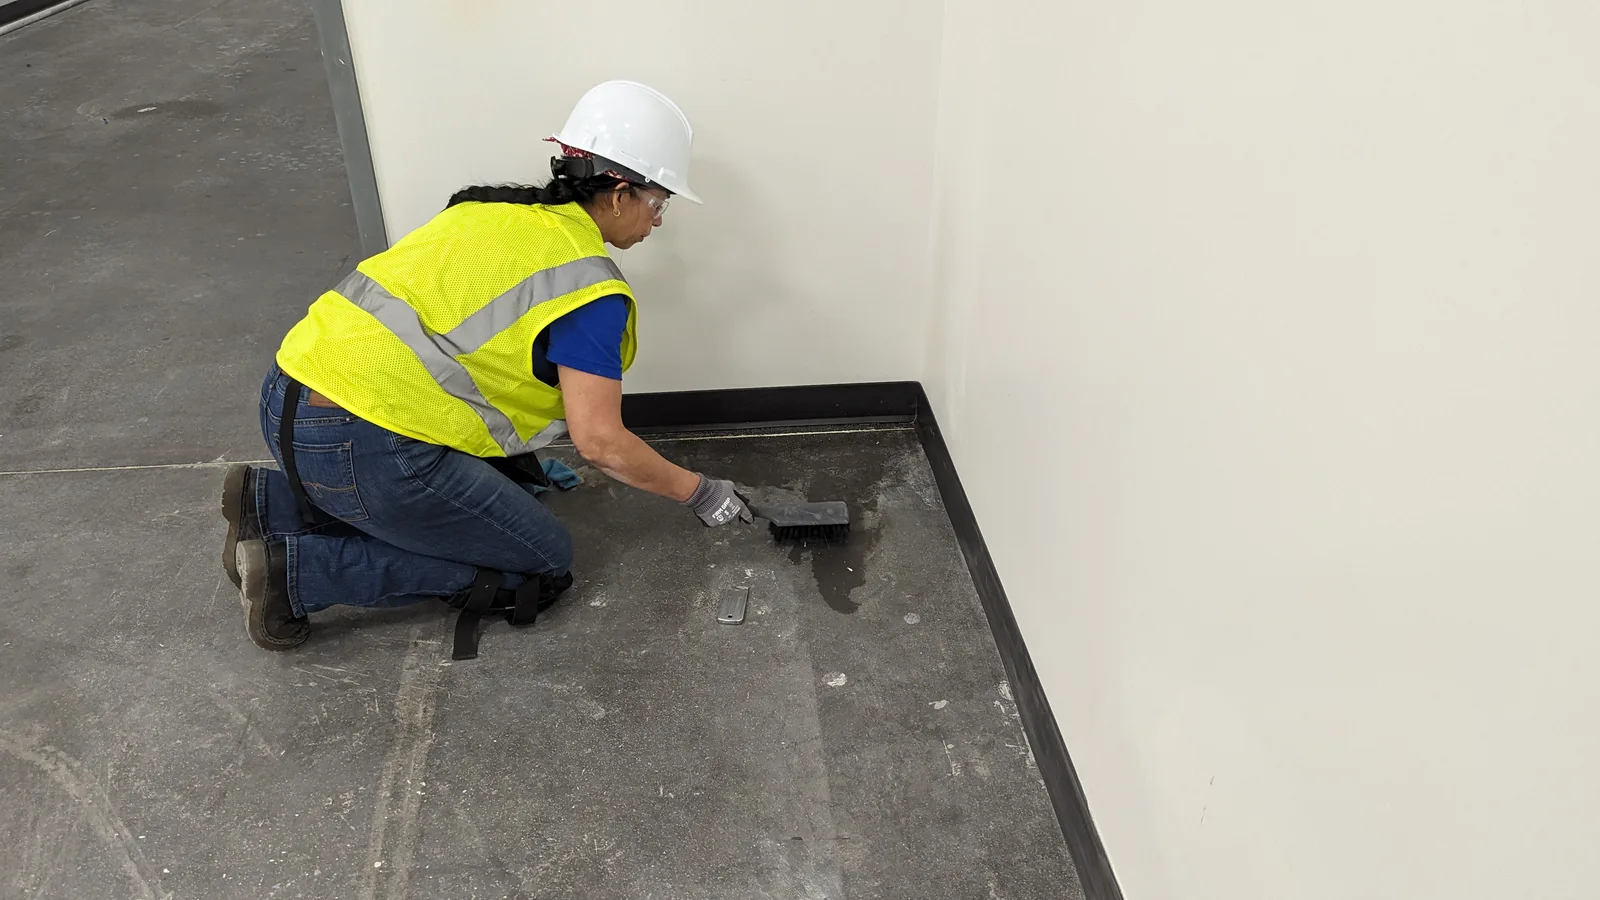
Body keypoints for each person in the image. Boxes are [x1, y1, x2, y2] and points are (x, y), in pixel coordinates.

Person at [218, 81, 752, 660]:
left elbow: (453, 357)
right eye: (659, 203)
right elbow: (601, 442)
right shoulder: (588, 288)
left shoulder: (491, 211)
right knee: (541, 563)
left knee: (496, 495)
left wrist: (513, 464)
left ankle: (269, 502)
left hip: (286, 398)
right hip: (363, 446)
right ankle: (294, 574)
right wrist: (700, 493)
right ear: (620, 193)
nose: (659, 222)